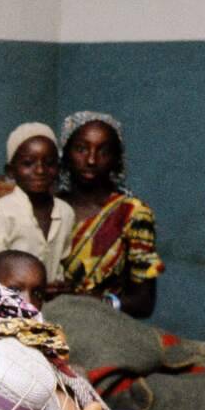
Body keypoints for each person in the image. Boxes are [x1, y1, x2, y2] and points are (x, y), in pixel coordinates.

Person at [56, 111, 164, 318]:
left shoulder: (132, 214)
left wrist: (91, 300)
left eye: (104, 151)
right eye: (81, 149)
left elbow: (144, 303)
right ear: (65, 153)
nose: (91, 160)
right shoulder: (50, 207)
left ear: (116, 159)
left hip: (108, 329)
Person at [0, 123, 75, 281]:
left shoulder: (66, 212)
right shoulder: (0, 213)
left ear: (59, 169)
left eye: (49, 163)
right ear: (11, 171)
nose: (40, 170)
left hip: (54, 303)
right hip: (9, 301)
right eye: (28, 163)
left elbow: (63, 265)